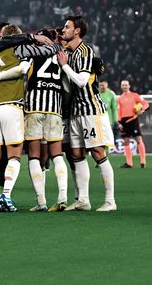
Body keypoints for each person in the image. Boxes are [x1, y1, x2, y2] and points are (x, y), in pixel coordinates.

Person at [0, 25, 62, 211]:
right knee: (14, 156)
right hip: (12, 107)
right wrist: (55, 46)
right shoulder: (19, 49)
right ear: (17, 37)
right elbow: (46, 51)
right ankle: (6, 195)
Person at [57, 15, 117, 212]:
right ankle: (83, 200)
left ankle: (110, 201)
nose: (63, 29)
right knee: (76, 154)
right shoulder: (69, 52)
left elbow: (82, 81)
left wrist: (64, 66)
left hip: (91, 110)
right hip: (75, 112)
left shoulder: (85, 51)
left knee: (98, 152)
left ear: (77, 31)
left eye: (67, 27)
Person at [25, 29, 68, 212]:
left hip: (34, 108)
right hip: (55, 110)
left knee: (34, 156)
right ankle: (63, 197)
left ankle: (41, 202)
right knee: (57, 155)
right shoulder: (61, 54)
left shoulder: (32, 54)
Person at [118, 80, 149, 169]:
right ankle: (129, 163)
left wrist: (142, 110)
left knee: (138, 139)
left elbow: (146, 104)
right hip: (124, 121)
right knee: (126, 141)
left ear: (129, 86)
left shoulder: (135, 95)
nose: (124, 86)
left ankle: (143, 162)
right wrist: (119, 122)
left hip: (133, 120)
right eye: (123, 85)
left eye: (126, 85)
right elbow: (119, 111)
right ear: (121, 87)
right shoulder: (120, 98)